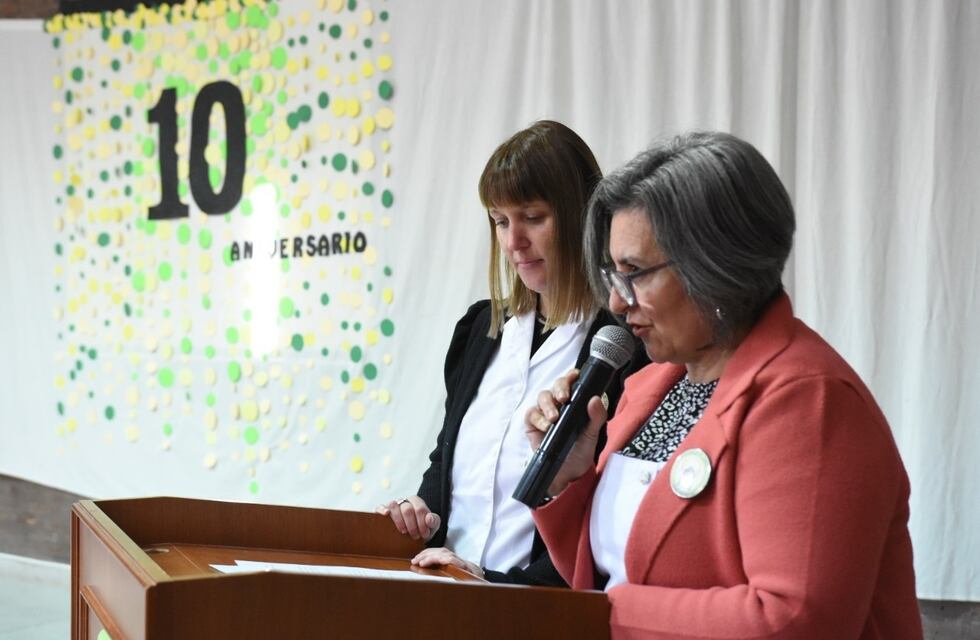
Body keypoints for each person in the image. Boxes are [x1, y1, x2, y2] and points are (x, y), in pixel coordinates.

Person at [525, 131, 922, 638]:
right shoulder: (650, 389)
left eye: (636, 273)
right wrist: (566, 479)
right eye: (611, 274)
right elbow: (606, 567)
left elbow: (795, 620)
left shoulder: (809, 401)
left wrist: (608, 615)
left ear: (716, 265)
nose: (618, 303)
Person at [376, 120, 645, 585]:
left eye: (532, 218)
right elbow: (448, 464)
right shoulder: (480, 330)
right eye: (500, 221)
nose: (513, 242)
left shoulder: (624, 348)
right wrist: (422, 515)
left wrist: (496, 584)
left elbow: (610, 525)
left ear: (583, 215)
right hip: (446, 600)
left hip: (538, 615)